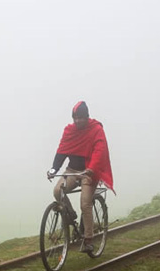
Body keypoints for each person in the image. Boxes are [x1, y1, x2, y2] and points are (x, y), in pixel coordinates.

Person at [47, 101, 113, 253]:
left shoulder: (96, 130)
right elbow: (62, 151)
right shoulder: (69, 131)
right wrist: (53, 168)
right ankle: (70, 215)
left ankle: (88, 239)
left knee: (85, 203)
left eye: (81, 118)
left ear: (87, 117)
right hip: (72, 170)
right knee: (58, 191)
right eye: (75, 118)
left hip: (89, 172)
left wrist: (91, 169)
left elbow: (99, 151)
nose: (77, 121)